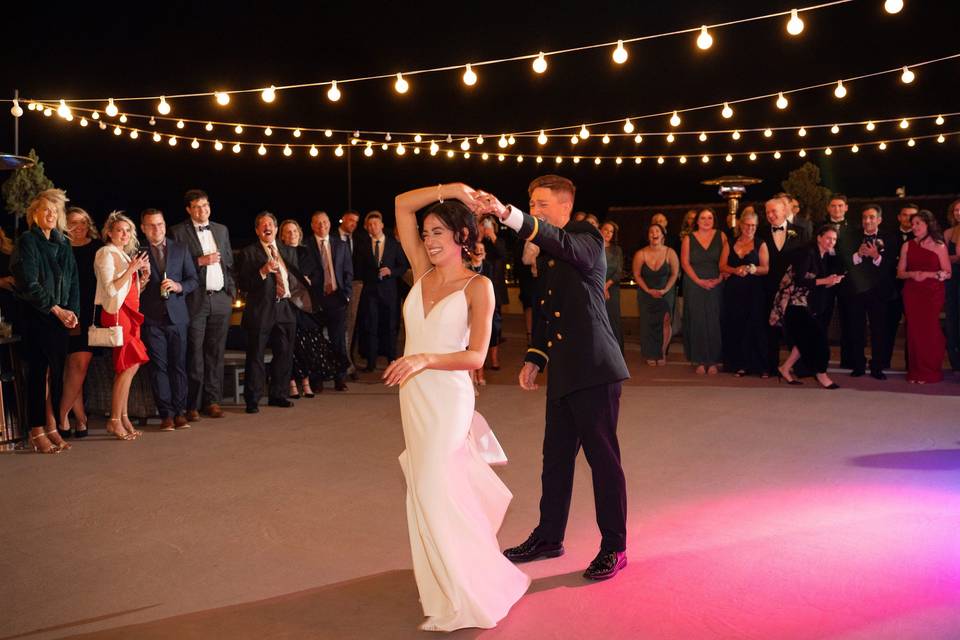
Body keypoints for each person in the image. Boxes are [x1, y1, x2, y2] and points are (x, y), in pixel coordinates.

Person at [386, 183, 528, 632]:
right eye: (426, 233)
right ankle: (445, 583)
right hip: (414, 395)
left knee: (432, 484)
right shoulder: (419, 270)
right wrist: (451, 190)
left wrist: (425, 358)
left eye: (439, 233)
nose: (429, 241)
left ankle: (469, 589)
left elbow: (477, 357)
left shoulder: (479, 286)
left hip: (448, 397)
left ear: (463, 238)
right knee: (431, 490)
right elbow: (400, 204)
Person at [483, 175, 630, 582]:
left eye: (542, 204)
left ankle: (614, 547)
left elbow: (562, 243)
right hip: (564, 372)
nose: (536, 209)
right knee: (556, 460)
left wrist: (507, 214)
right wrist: (535, 357)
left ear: (565, 207)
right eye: (531, 203)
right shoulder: (548, 257)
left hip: (595, 369)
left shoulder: (585, 237)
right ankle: (550, 537)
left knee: (603, 461)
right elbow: (549, 315)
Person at [11, 189, 80, 453]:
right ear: (34, 215)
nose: (50, 214)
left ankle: (51, 425)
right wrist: (56, 309)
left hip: (61, 318)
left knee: (55, 375)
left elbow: (73, 281)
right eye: (45, 210)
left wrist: (71, 311)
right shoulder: (28, 240)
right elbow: (28, 282)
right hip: (37, 315)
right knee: (39, 374)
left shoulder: (63, 242)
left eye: (55, 211)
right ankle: (36, 429)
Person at [169, 189, 235, 421]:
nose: (203, 210)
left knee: (216, 353)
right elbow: (175, 267)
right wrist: (200, 261)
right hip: (195, 300)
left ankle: (213, 401)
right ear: (188, 210)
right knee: (194, 353)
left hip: (220, 299)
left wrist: (230, 292)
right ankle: (192, 405)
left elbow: (228, 263)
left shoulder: (221, 229)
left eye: (205, 205)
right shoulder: (178, 232)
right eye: (197, 207)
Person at [94, 212, 151, 439]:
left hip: (131, 314)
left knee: (130, 366)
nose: (125, 234)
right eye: (120, 230)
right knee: (127, 366)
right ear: (109, 232)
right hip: (118, 315)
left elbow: (130, 290)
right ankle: (114, 420)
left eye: (128, 231)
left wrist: (142, 277)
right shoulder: (105, 253)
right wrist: (131, 269)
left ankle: (124, 416)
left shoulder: (124, 255)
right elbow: (110, 288)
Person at [140, 209, 198, 431]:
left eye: (161, 224)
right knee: (159, 368)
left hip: (178, 317)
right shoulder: (138, 252)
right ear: (144, 228)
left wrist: (178, 286)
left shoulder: (180, 249)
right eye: (152, 225)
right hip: (152, 318)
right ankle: (166, 414)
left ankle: (180, 412)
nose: (157, 229)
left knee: (179, 366)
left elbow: (193, 279)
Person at [236, 212, 298, 413]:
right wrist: (262, 271)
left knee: (285, 354)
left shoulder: (287, 251)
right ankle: (252, 399)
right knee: (256, 355)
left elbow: (294, 278)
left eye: (270, 224)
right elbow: (243, 284)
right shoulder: (249, 253)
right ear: (257, 230)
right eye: (262, 225)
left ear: (276, 228)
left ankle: (278, 395)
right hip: (261, 310)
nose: (267, 227)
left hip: (285, 308)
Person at [279, 219, 346, 397]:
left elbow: (317, 276)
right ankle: (293, 383)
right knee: (292, 345)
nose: (291, 234)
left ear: (299, 233)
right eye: (287, 232)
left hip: (306, 306)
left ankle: (307, 381)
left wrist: (310, 281)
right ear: (282, 236)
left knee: (309, 344)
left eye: (294, 231)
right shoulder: (280, 253)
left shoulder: (307, 252)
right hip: (288, 306)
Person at [773, 225, 843, 389]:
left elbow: (814, 282)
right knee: (819, 340)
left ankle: (784, 368)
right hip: (793, 304)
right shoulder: (807, 252)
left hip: (807, 303)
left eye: (834, 239)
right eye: (828, 238)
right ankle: (821, 373)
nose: (831, 242)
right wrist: (826, 281)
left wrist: (830, 280)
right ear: (819, 237)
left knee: (803, 339)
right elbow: (800, 281)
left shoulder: (823, 255)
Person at [57, 207, 101, 438]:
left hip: (90, 313)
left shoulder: (97, 248)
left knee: (80, 365)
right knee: (72, 368)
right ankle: (81, 419)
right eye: (73, 223)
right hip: (66, 311)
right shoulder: (60, 248)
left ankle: (61, 416)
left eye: (83, 222)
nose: (79, 227)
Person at [842, 205, 897, 380]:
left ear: (879, 219)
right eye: (865, 217)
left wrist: (875, 256)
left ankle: (877, 367)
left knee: (879, 330)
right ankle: (858, 365)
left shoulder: (890, 237)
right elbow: (845, 262)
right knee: (856, 329)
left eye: (872, 217)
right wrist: (857, 254)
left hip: (879, 292)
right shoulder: (851, 236)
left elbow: (890, 265)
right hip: (856, 291)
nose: (867, 221)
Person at [758, 196, 811, 377]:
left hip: (792, 289)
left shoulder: (800, 231)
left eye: (774, 211)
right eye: (767, 212)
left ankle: (800, 367)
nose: (771, 215)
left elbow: (806, 259)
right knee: (769, 329)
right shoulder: (761, 232)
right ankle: (769, 366)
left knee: (795, 329)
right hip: (768, 287)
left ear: (784, 211)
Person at [897, 210, 951, 384]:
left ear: (928, 224)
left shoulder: (939, 245)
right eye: (912, 224)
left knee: (930, 331)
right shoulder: (907, 245)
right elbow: (900, 273)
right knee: (914, 332)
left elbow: (947, 272)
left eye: (918, 223)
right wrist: (913, 274)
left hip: (932, 293)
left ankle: (930, 371)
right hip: (912, 293)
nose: (914, 227)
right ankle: (916, 371)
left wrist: (928, 274)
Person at [303, 211, 352, 391]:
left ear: (330, 223)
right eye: (317, 223)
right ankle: (318, 379)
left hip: (337, 298)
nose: (321, 226)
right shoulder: (306, 245)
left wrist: (346, 294)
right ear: (312, 225)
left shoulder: (340, 245)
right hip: (315, 300)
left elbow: (348, 271)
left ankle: (340, 377)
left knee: (338, 340)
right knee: (316, 340)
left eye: (324, 222)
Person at [355, 211, 407, 370]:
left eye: (375, 224)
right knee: (371, 326)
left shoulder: (393, 244)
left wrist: (391, 271)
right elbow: (358, 268)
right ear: (366, 227)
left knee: (391, 326)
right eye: (370, 225)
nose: (373, 227)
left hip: (390, 292)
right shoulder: (362, 246)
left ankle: (392, 360)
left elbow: (403, 266)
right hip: (370, 292)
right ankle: (371, 362)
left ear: (382, 225)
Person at [720, 210, 769, 376]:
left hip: (754, 290)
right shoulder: (730, 242)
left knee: (755, 326)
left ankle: (760, 366)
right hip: (733, 291)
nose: (751, 228)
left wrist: (752, 269)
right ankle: (739, 364)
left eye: (754, 225)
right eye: (748, 225)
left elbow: (766, 268)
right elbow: (722, 266)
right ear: (741, 225)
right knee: (736, 325)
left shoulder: (760, 243)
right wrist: (735, 270)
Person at [681, 208, 727, 374]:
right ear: (697, 221)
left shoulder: (721, 236)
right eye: (703, 218)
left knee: (714, 321)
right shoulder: (688, 238)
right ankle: (699, 360)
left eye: (710, 218)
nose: (706, 221)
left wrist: (720, 278)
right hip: (694, 283)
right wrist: (699, 281)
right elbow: (685, 263)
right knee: (698, 321)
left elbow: (727, 260)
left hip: (716, 282)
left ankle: (714, 361)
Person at [633, 223, 679, 365]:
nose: (654, 233)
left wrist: (665, 289)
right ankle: (650, 353)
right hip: (646, 292)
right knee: (647, 323)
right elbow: (637, 275)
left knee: (665, 321)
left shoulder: (670, 252)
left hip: (665, 292)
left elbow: (674, 274)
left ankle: (662, 352)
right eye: (651, 231)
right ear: (648, 236)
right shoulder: (640, 254)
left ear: (662, 235)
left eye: (657, 231)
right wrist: (647, 290)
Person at [885, 202, 920, 370]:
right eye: (905, 215)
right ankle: (883, 362)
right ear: (899, 217)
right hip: (892, 288)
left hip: (914, 288)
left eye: (912, 215)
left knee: (913, 328)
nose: (908, 218)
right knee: (888, 327)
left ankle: (911, 364)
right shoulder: (888, 236)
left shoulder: (922, 237)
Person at [479, 215, 508, 370]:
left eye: (489, 223)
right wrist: (480, 235)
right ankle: (479, 361)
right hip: (477, 287)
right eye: (483, 223)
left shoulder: (499, 242)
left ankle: (495, 359)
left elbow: (503, 254)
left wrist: (493, 236)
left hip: (494, 288)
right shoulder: (476, 242)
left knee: (495, 326)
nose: (486, 226)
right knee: (477, 324)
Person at [337, 210, 361, 378]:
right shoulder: (332, 238)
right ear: (343, 220)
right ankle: (340, 364)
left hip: (355, 287)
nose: (353, 224)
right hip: (336, 289)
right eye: (351, 220)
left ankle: (349, 361)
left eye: (356, 222)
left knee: (352, 326)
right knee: (340, 327)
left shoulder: (358, 240)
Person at [600, 221, 625, 353]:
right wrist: (600, 287)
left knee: (613, 319)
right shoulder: (594, 247)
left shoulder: (617, 250)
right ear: (600, 230)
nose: (608, 233)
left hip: (612, 289)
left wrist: (606, 285)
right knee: (598, 321)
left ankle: (616, 353)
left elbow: (619, 271)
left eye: (611, 231)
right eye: (606, 230)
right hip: (595, 288)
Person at [941, 199, 960, 373]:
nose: (958, 213)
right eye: (956, 210)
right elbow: (945, 258)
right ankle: (955, 362)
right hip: (952, 279)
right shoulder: (948, 232)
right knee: (952, 319)